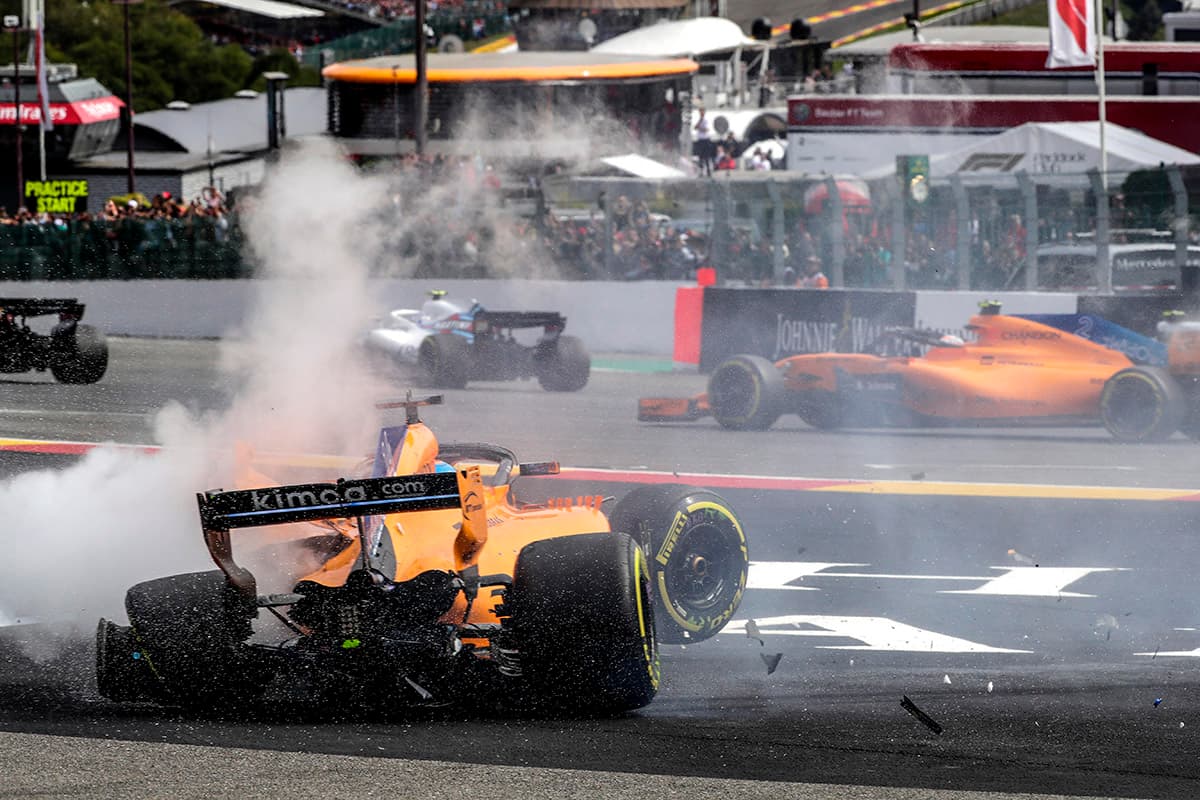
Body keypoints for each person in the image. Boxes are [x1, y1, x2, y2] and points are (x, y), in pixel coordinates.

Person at [693, 108, 714, 176]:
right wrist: (699, 123)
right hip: (700, 140)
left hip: (706, 140)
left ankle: (708, 171)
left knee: (706, 156)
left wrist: (699, 128)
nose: (701, 113)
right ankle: (701, 171)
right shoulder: (699, 120)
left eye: (702, 112)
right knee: (700, 157)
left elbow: (706, 129)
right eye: (700, 112)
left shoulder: (706, 120)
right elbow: (695, 127)